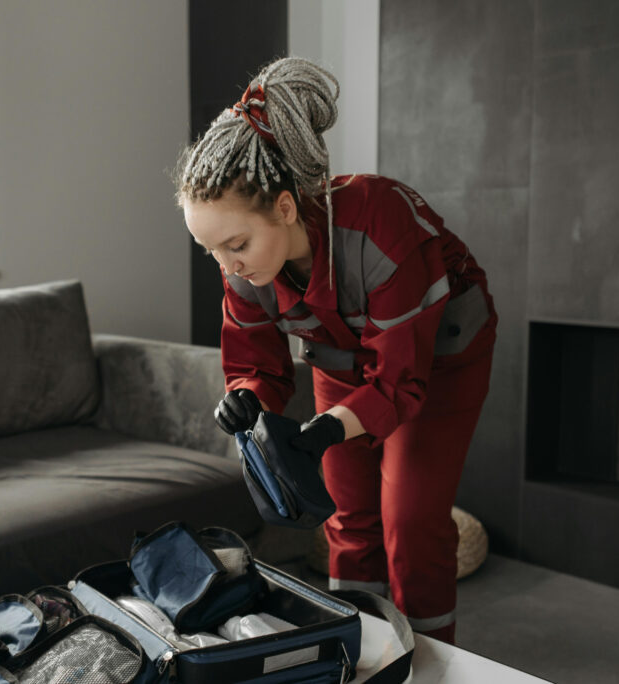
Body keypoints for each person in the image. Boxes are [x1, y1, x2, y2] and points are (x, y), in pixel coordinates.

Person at [175, 57, 497, 645]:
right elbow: (256, 362)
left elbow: (400, 381)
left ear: (285, 208)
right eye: (212, 251)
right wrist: (244, 396)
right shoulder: (243, 266)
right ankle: (368, 649)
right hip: (340, 358)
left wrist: (325, 430)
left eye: (237, 244)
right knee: (348, 517)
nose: (228, 266)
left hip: (438, 360)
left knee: (412, 524)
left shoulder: (381, 225)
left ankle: (431, 663)